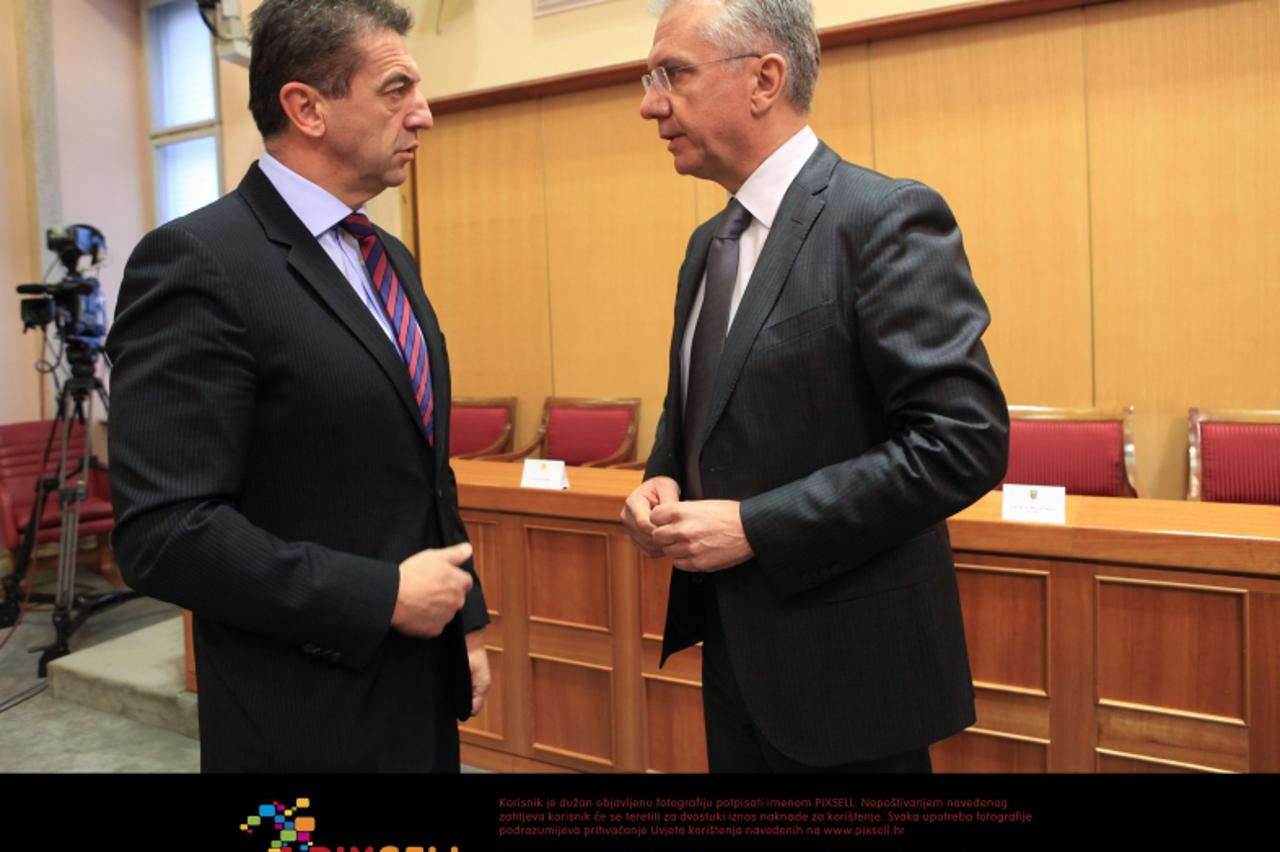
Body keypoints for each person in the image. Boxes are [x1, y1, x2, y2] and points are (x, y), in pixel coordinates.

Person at [622, 0, 1009, 773]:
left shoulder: (884, 219)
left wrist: (758, 526)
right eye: (649, 77)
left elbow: (961, 443)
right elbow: (701, 403)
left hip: (853, 678)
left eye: (673, 74)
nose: (649, 103)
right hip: (736, 656)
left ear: (764, 78)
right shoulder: (709, 243)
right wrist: (662, 472)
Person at [106, 0, 488, 772]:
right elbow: (166, 532)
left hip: (416, 693)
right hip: (298, 719)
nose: (425, 114)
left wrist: (464, 626)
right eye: (396, 88)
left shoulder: (387, 257)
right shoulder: (197, 262)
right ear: (306, 107)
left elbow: (419, 468)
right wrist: (378, 596)